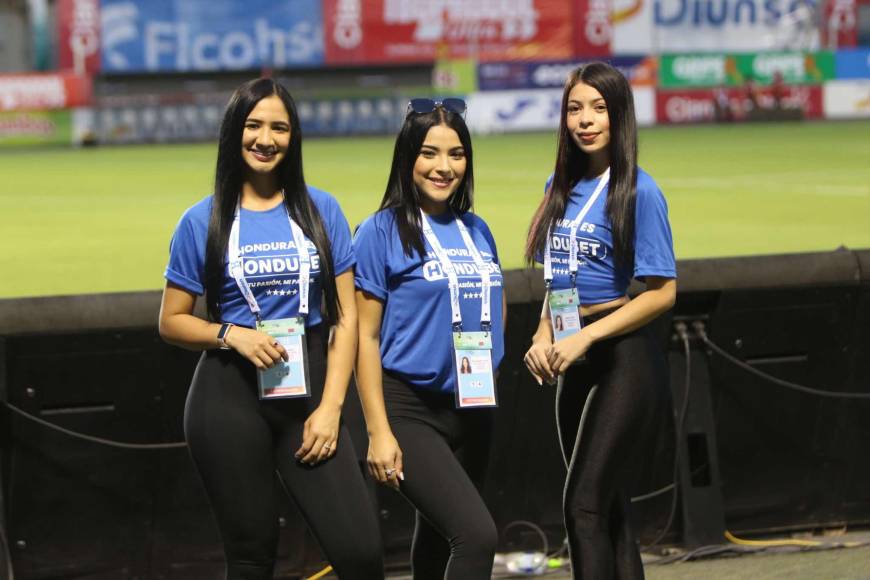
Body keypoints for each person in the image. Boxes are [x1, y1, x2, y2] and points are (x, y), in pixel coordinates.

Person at [158, 78, 383, 580]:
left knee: (361, 553)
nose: (266, 138)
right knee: (251, 558)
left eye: (279, 127)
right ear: (234, 132)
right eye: (253, 125)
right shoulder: (202, 220)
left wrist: (330, 409)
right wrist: (228, 334)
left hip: (309, 394)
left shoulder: (322, 210)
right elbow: (171, 320)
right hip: (228, 396)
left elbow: (345, 319)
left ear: (293, 136)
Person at [523, 62, 677, 579]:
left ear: (619, 115)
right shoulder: (559, 185)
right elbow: (557, 279)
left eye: (599, 108)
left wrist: (585, 335)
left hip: (624, 358)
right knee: (609, 510)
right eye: (574, 108)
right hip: (572, 356)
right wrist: (543, 335)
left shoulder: (640, 191)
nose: (585, 120)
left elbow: (662, 294)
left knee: (582, 505)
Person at [353, 98, 505, 579]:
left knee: (439, 540)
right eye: (430, 153)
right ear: (407, 158)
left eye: (457, 154)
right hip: (409, 409)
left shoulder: (477, 230)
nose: (444, 167)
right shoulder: (378, 233)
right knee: (476, 537)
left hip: (475, 404)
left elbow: (489, 310)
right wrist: (378, 432)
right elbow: (364, 337)